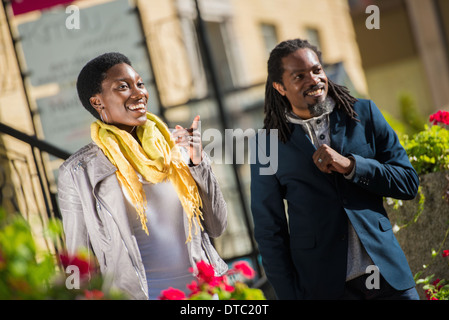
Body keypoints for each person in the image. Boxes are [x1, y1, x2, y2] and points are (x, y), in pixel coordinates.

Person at [250, 39, 420, 300]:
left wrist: (352, 166)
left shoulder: (364, 114)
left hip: (388, 279)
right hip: (326, 288)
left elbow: (408, 182)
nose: (314, 80)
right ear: (279, 86)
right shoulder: (267, 145)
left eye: (317, 70)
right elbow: (269, 230)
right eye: (299, 76)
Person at [57, 52, 227, 300]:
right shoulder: (78, 173)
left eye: (140, 83)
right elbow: (78, 259)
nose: (139, 94)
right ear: (97, 102)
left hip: (202, 294)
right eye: (123, 87)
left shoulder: (179, 145)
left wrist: (197, 162)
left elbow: (217, 226)